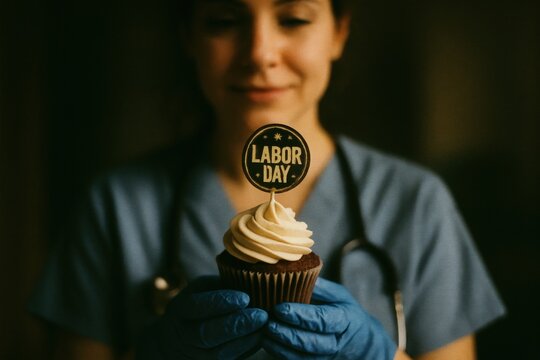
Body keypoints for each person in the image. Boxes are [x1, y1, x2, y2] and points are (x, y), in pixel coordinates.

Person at [29, 0, 505, 359]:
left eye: (293, 19)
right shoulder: (116, 206)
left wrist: (377, 355)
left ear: (338, 32)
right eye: (223, 21)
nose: (259, 53)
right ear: (188, 36)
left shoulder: (416, 202)